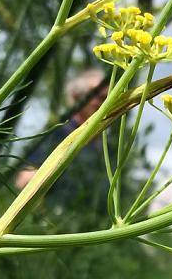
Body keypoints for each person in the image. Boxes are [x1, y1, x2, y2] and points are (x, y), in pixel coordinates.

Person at [14, 68, 109, 203]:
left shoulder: (105, 142)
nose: (103, 99)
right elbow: (25, 177)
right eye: (97, 94)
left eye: (107, 96)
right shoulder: (58, 133)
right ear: (76, 96)